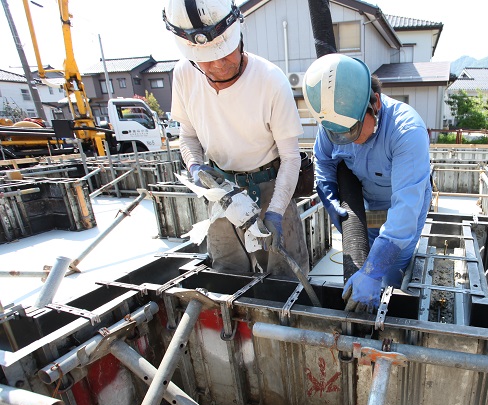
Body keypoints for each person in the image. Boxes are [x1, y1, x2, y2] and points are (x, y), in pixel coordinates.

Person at [163, 0, 309, 277]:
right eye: (207, 58)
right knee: (226, 270)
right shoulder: (184, 75)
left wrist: (276, 211)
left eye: (225, 52)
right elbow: (188, 136)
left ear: (238, 37)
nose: (219, 64)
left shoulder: (270, 81)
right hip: (221, 189)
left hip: (270, 185)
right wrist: (195, 167)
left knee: (286, 273)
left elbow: (291, 158)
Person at [302, 53, 432, 312]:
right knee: (362, 257)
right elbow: (324, 162)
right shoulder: (335, 123)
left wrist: (374, 273)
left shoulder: (406, 132)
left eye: (351, 131)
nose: (344, 139)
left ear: (376, 104)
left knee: (389, 271)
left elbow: (404, 215)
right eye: (335, 134)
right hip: (367, 208)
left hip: (400, 210)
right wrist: (328, 195)